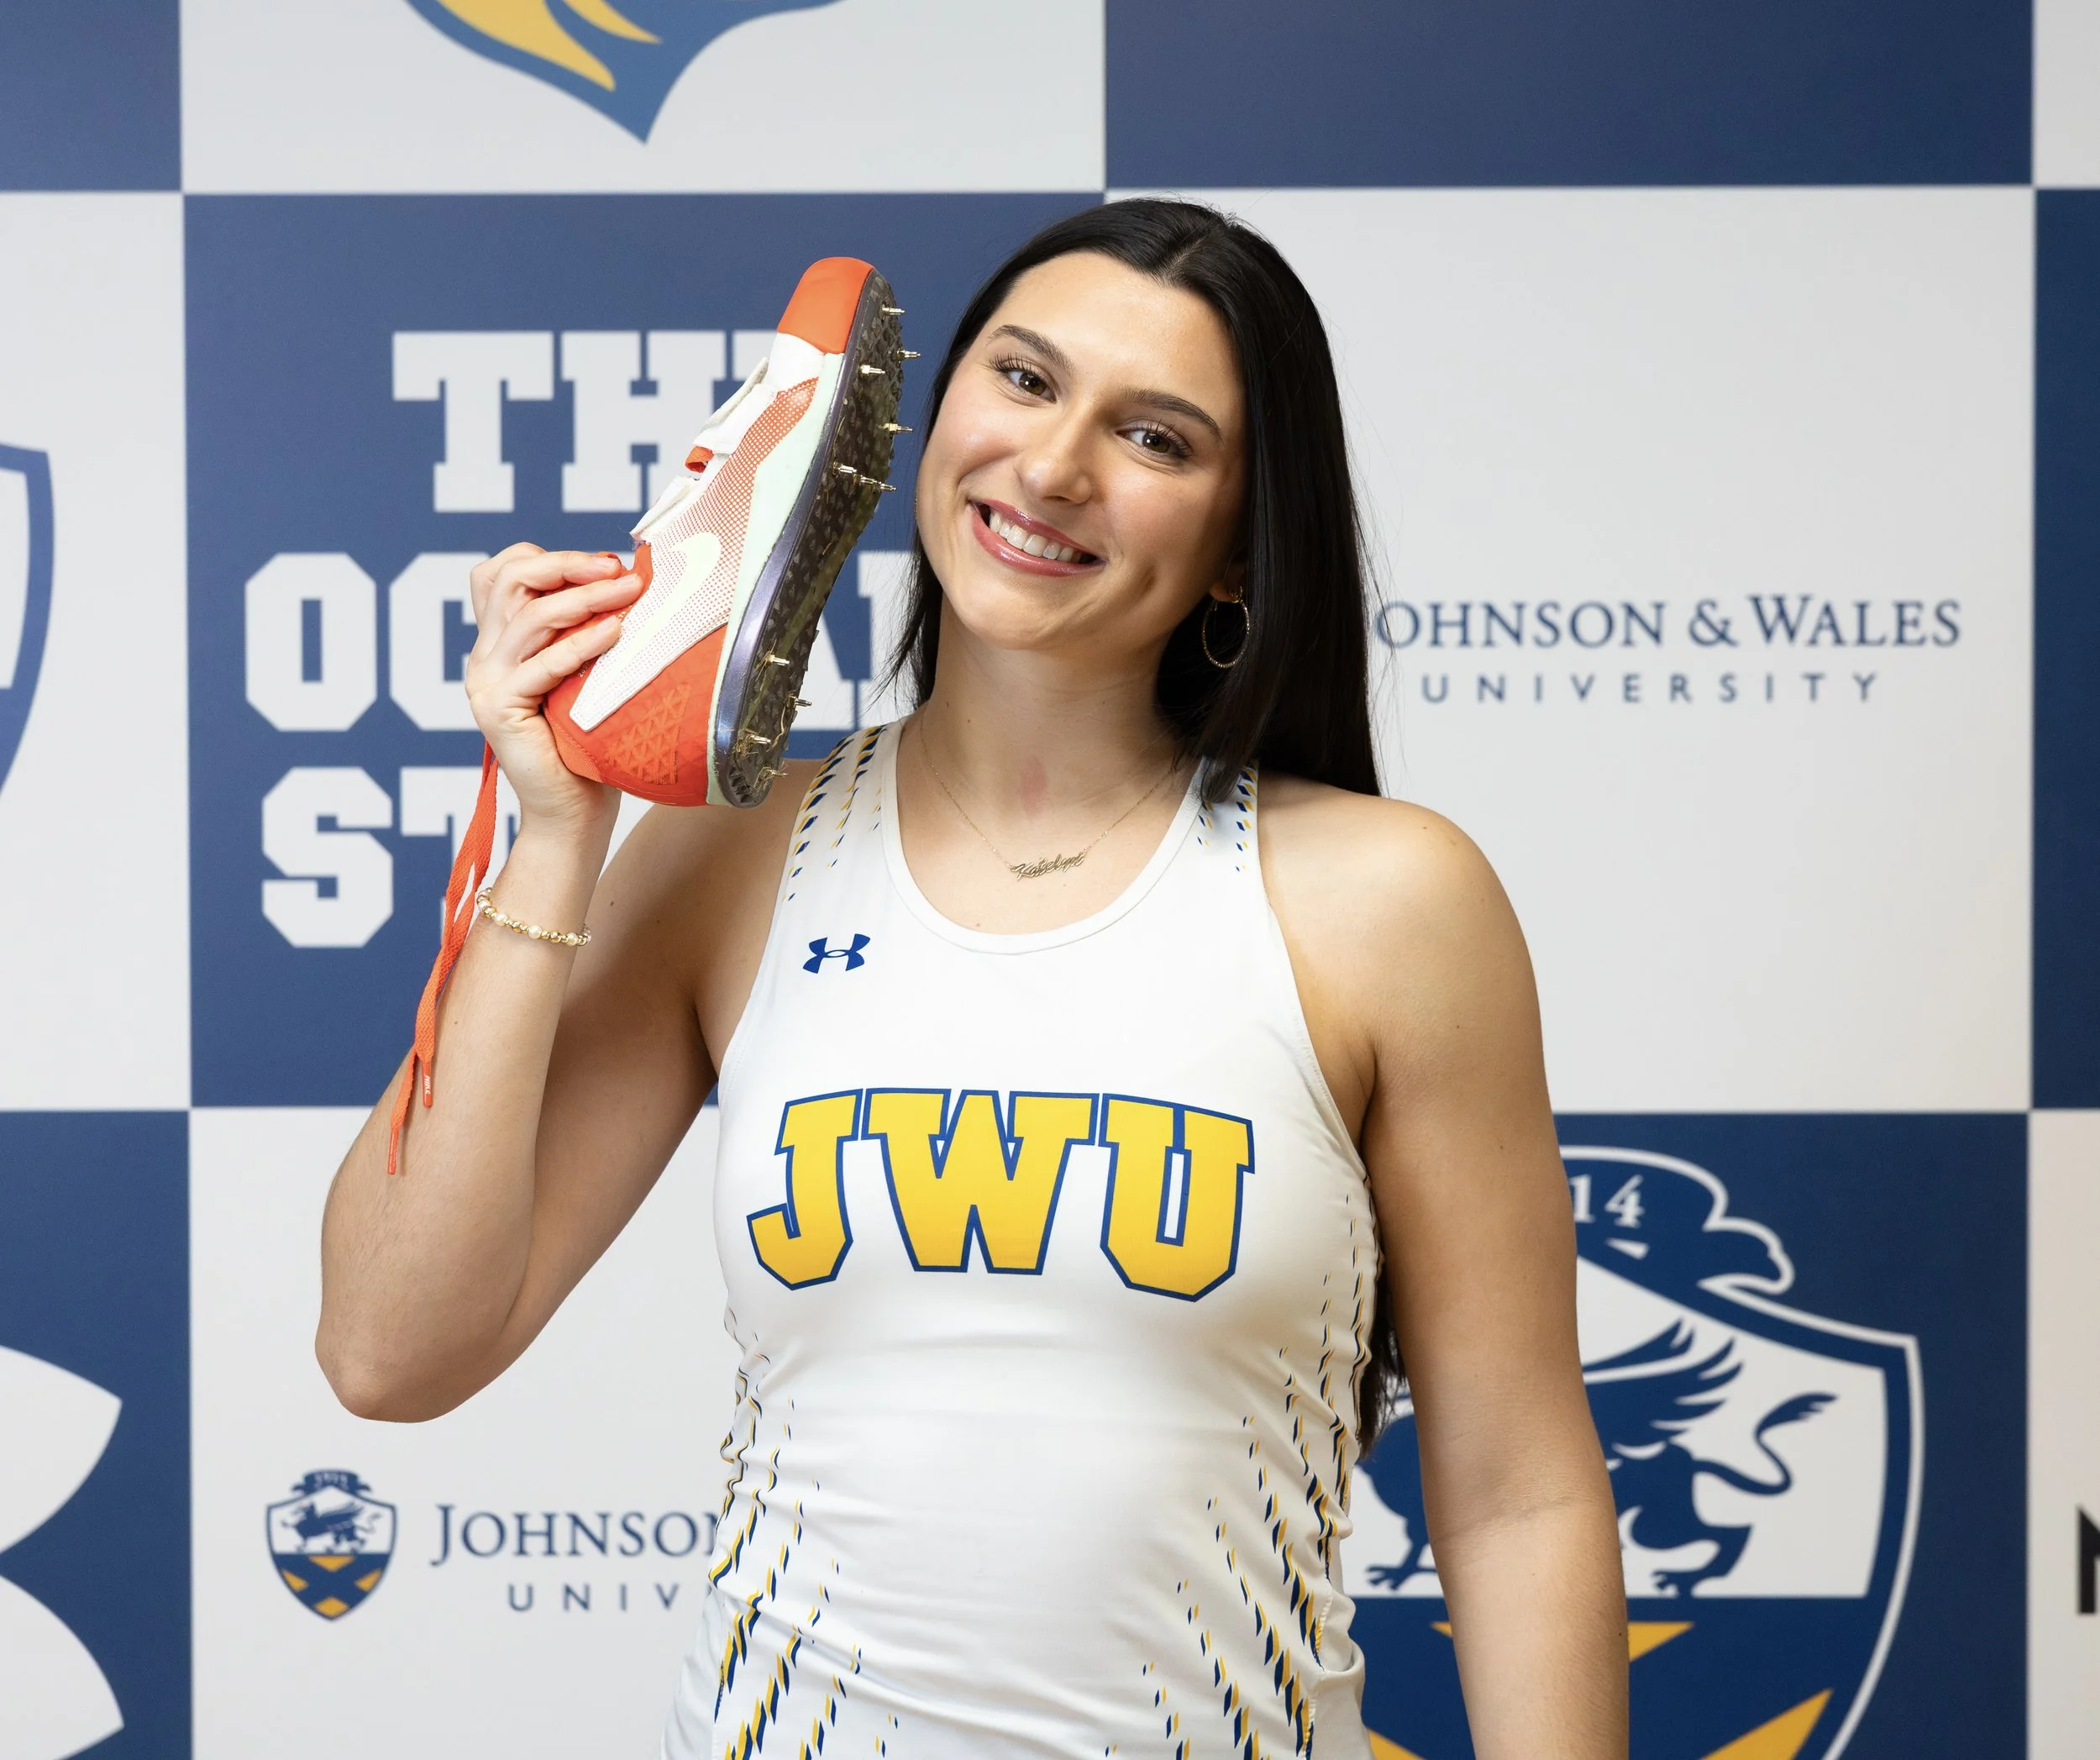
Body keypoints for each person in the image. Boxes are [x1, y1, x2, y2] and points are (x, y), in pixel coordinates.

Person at [317, 198, 1627, 1758]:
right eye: (1023, 378)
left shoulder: (1386, 899)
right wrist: (556, 835)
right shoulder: (735, 854)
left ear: (1239, 545)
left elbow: (1518, 1490)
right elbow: (390, 1350)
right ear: (930, 424)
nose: (1055, 465)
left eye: (1154, 437)